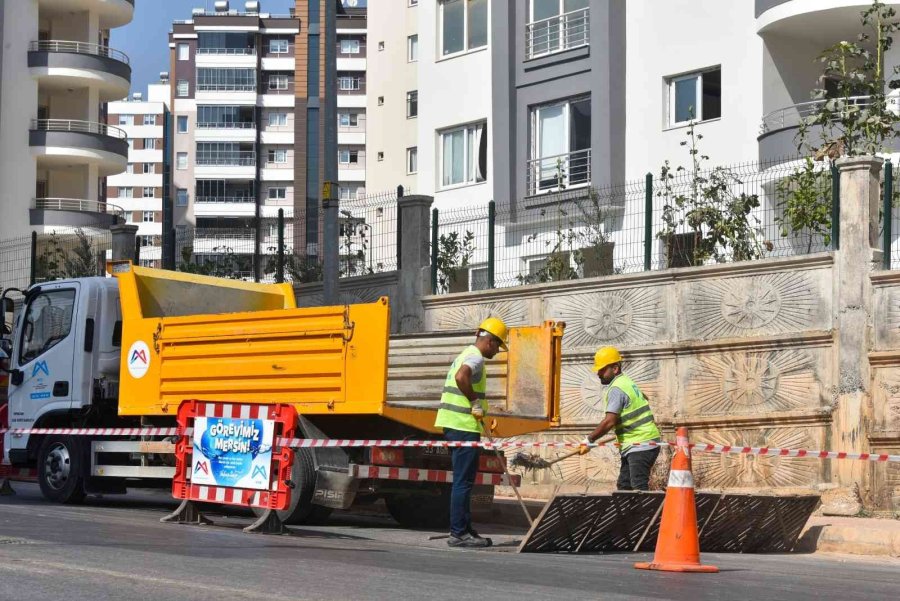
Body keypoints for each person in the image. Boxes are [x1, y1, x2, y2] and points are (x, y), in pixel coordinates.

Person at [433, 317, 508, 548]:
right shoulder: (474, 357)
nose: (497, 351)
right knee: (463, 482)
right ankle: (458, 533)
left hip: (457, 425)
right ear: (490, 341)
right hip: (462, 426)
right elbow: (460, 378)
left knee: (463, 481)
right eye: (498, 346)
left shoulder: (465, 353)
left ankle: (464, 529)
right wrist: (475, 401)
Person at [579, 346, 661, 491]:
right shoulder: (627, 382)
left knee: (638, 489)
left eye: (602, 369)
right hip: (637, 443)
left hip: (640, 443)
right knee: (624, 487)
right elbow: (643, 399)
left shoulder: (617, 389)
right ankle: (630, 514)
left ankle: (646, 514)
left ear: (615, 368)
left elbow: (610, 421)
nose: (598, 373)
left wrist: (589, 440)